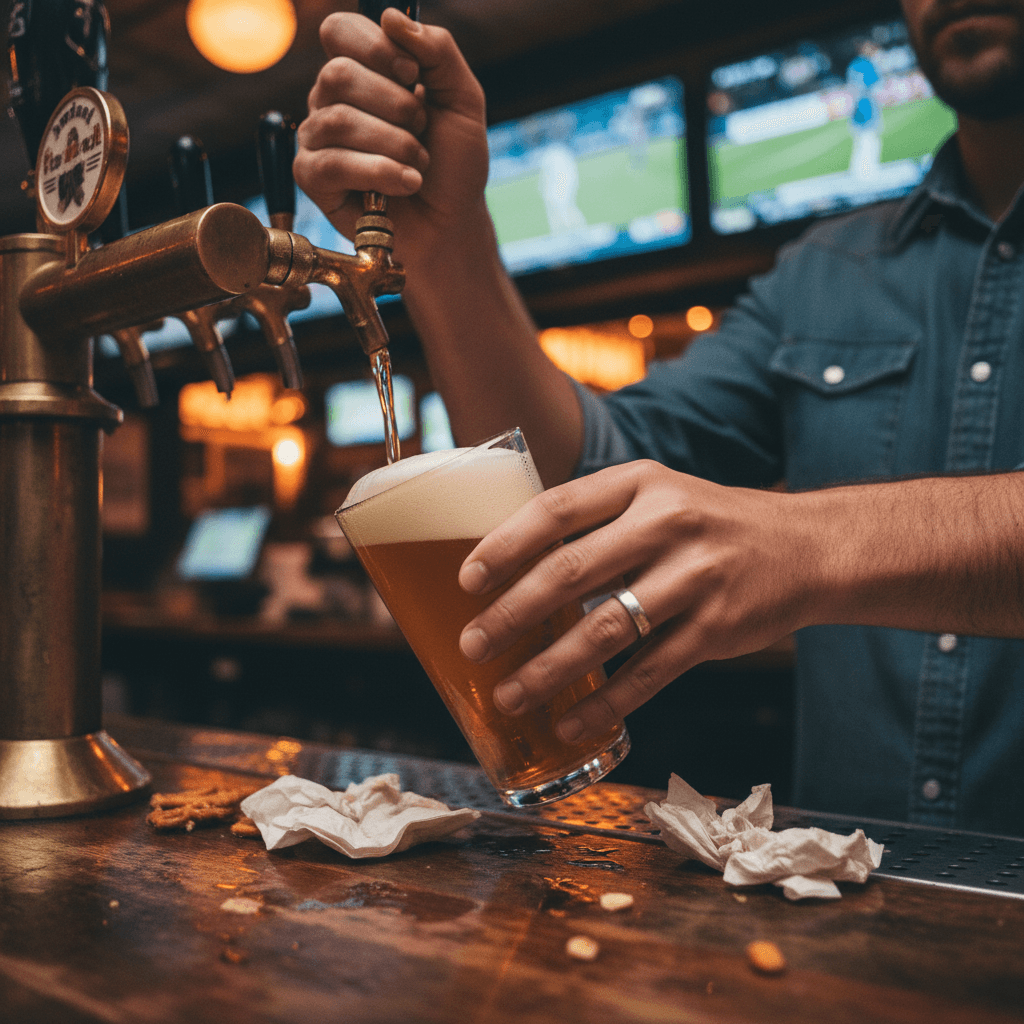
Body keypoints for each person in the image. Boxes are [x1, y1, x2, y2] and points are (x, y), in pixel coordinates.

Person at [294, 0, 1024, 836]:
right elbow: (579, 482)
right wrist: (443, 244)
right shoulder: (825, 273)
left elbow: (788, 538)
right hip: (854, 899)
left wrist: (815, 541)